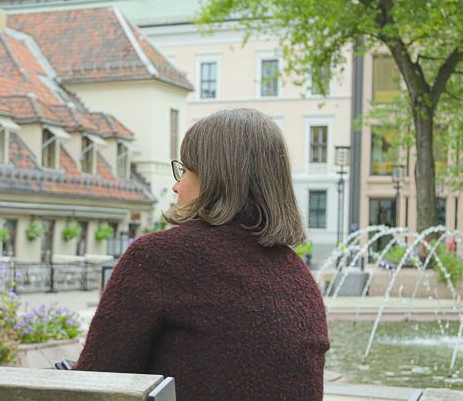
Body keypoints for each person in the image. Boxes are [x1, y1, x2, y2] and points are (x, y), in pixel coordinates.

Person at [74, 109, 330, 399]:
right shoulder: (299, 278)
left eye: (184, 171)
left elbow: (94, 385)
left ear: (212, 179)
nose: (176, 185)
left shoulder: (160, 259)